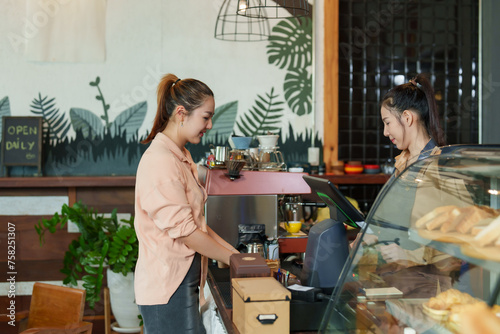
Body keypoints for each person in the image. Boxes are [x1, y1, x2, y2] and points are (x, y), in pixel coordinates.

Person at [134, 73, 238, 334]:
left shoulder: (181, 155)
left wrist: (238, 256)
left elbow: (196, 225)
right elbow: (187, 234)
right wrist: (235, 259)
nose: (210, 125)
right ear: (181, 113)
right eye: (206, 116)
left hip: (184, 281)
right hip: (167, 287)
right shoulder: (160, 161)